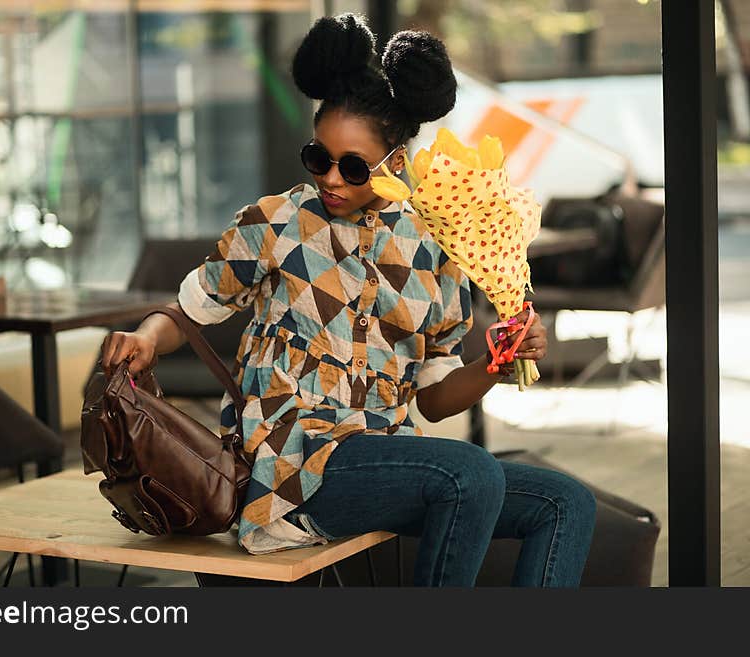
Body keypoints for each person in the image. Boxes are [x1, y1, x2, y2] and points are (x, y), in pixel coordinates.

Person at [101, 13, 596, 587]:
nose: (332, 178)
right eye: (319, 157)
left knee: (566, 504)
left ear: (397, 163)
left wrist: (495, 365)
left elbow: (433, 401)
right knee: (472, 473)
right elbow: (193, 305)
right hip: (292, 466)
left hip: (386, 459)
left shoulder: (436, 249)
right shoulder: (278, 222)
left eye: (354, 165)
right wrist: (146, 337)